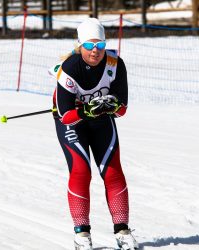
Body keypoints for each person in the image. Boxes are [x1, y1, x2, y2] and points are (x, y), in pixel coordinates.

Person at [49, 18, 139, 250]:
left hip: (100, 121)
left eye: (100, 45)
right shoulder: (70, 68)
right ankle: (82, 234)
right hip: (73, 123)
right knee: (81, 171)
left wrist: (111, 105)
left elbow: (122, 109)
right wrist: (87, 109)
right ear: (80, 46)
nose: (95, 51)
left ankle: (122, 230)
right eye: (89, 46)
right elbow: (65, 114)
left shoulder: (115, 64)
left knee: (112, 171)